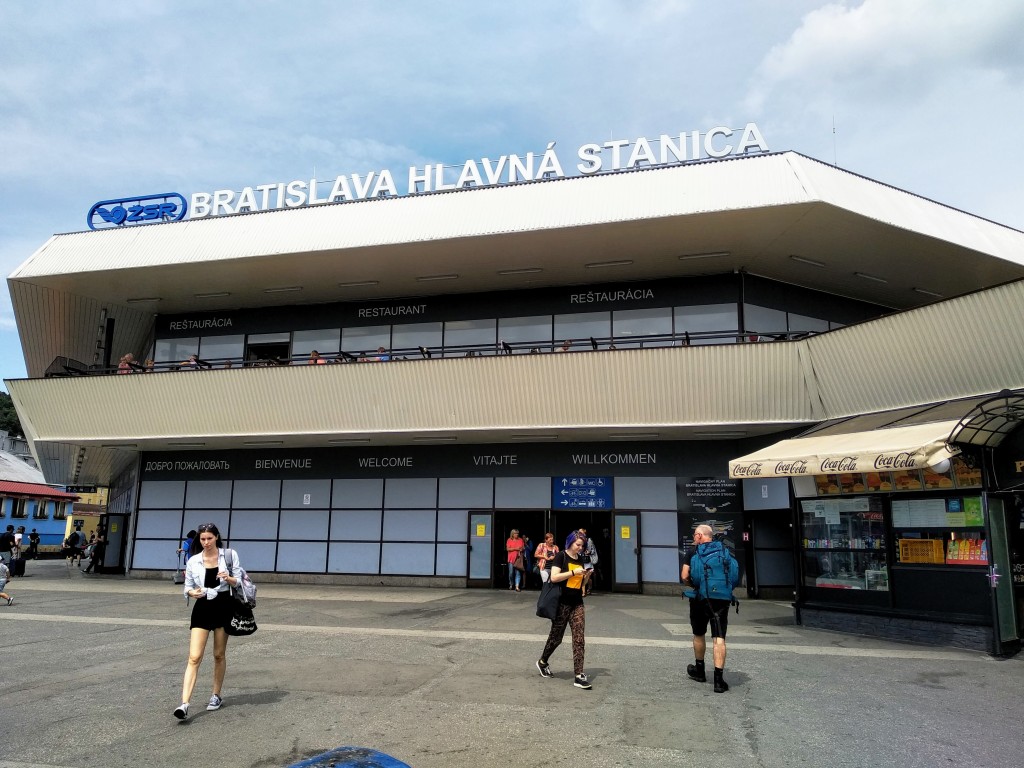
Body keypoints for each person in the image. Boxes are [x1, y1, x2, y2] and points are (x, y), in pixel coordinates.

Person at [174, 523, 243, 720]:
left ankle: (216, 695)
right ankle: (184, 703)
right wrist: (191, 592)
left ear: (216, 537)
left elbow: (238, 581)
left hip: (223, 604)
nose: (206, 543)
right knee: (194, 656)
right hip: (202, 606)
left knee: (219, 654)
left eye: (209, 539)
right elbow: (187, 587)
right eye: (202, 539)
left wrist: (228, 577)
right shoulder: (194, 560)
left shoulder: (229, 555)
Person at [681, 524, 739, 693]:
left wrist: (695, 586)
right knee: (719, 638)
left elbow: (684, 576)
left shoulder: (693, 552)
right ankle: (719, 681)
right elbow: (733, 574)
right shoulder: (724, 550)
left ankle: (699, 671)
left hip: (700, 598)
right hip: (721, 598)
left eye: (694, 535)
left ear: (700, 535)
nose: (693, 537)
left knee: (699, 634)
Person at [536, 530, 593, 689]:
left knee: (579, 638)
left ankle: (579, 675)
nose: (580, 548)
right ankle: (543, 661)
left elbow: (581, 583)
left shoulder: (581, 558)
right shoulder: (561, 556)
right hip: (562, 603)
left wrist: (587, 576)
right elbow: (554, 577)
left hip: (577, 603)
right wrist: (573, 572)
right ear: (570, 543)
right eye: (578, 545)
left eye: (582, 545)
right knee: (556, 637)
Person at [578, 527, 598, 595]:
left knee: (588, 576)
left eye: (581, 532)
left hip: (588, 560)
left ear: (584, 533)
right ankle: (583, 591)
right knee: (582, 575)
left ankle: (589, 588)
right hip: (581, 559)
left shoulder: (589, 540)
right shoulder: (577, 540)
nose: (579, 533)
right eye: (579, 532)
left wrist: (589, 552)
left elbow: (593, 550)